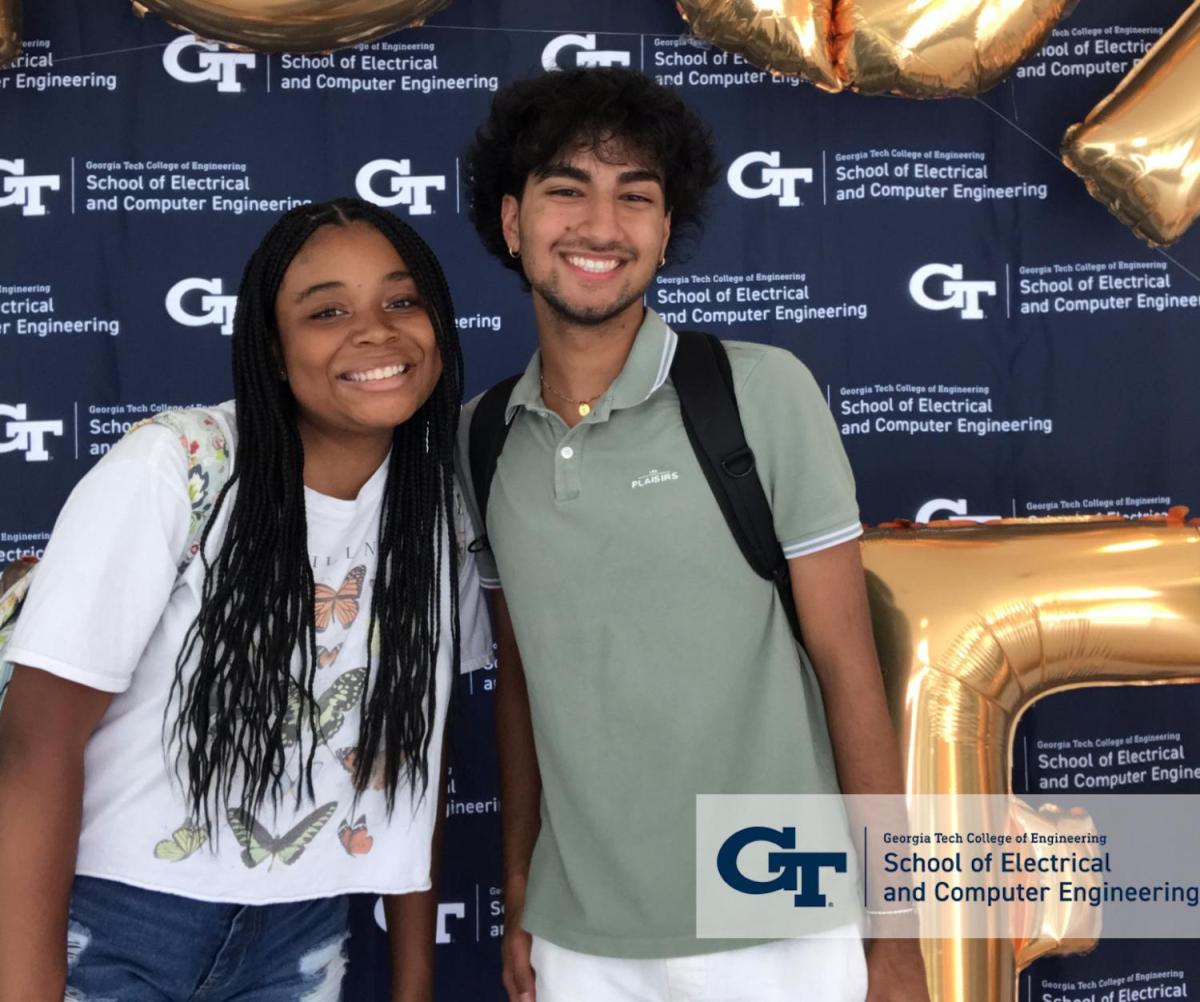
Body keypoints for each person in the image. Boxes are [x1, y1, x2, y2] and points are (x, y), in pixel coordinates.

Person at [460, 69, 930, 1002]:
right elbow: (520, 683)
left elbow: (849, 669)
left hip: (782, 914)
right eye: (567, 189)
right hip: (582, 938)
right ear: (512, 223)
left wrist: (898, 936)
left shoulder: (760, 393)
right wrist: (521, 892)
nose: (601, 225)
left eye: (635, 196)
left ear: (665, 230)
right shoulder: (482, 438)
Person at [0, 197, 492, 1002]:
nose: (375, 331)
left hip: (302, 931)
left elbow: (415, 756)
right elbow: (34, 748)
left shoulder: (436, 509)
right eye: (327, 311)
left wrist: (413, 984)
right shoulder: (178, 468)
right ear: (273, 346)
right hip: (112, 922)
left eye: (402, 301)